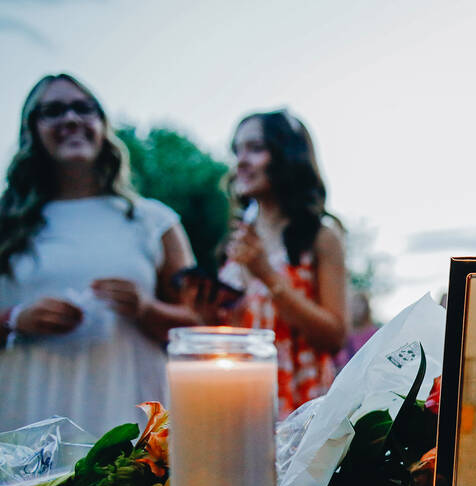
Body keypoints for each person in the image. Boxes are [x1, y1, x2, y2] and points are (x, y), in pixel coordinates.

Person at [0, 74, 200, 435]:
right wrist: (15, 319)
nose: (71, 119)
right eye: (53, 111)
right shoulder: (5, 225)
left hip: (127, 416)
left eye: (84, 108)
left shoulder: (154, 220)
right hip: (24, 419)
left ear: (102, 126)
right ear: (31, 129)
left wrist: (145, 308)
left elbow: (199, 324)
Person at [187, 110, 347, 417]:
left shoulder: (320, 235)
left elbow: (335, 336)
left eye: (255, 149)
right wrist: (207, 317)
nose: (241, 162)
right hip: (240, 400)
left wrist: (266, 274)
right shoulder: (235, 240)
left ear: (288, 155)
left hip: (300, 402)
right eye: (237, 151)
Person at [334, 289, 380, 371]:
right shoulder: (343, 334)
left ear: (366, 308)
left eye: (359, 304)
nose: (356, 308)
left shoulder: (375, 334)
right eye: (353, 304)